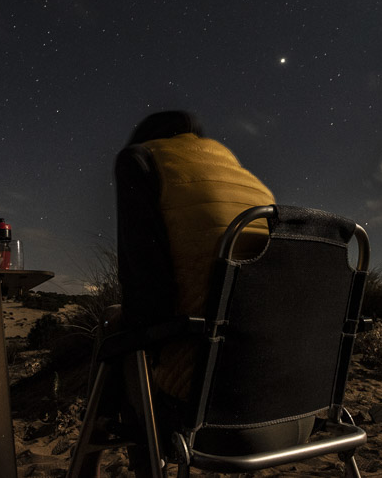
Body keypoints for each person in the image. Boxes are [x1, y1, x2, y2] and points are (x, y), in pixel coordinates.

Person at [115, 110, 275, 401]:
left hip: (202, 368)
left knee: (114, 330)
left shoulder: (141, 159)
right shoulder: (249, 179)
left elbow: (145, 283)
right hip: (271, 361)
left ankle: (114, 432)